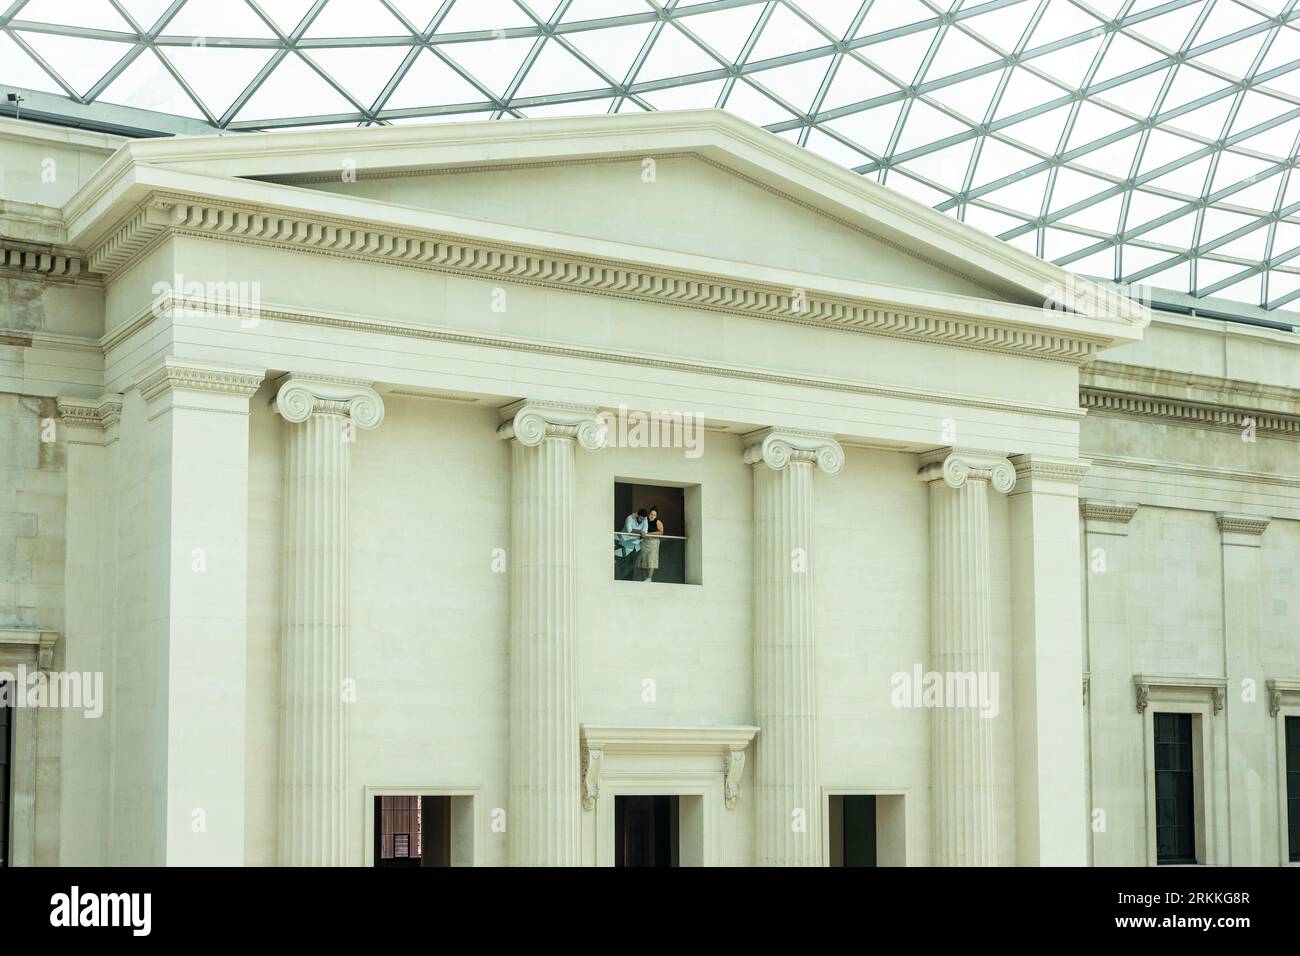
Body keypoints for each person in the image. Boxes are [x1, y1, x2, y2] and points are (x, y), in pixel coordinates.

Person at [616, 508, 648, 580]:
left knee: (632, 562)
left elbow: (645, 530)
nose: (641, 520)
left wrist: (643, 532)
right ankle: (623, 579)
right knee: (624, 562)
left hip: (635, 544)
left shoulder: (645, 520)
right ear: (637, 515)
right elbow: (629, 530)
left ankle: (630, 579)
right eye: (640, 518)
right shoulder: (630, 518)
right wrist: (640, 531)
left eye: (643, 519)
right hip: (625, 543)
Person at [639, 506, 664, 582]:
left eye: (654, 515)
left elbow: (661, 532)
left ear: (656, 516)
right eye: (651, 514)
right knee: (642, 560)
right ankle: (645, 578)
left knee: (651, 560)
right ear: (649, 514)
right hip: (644, 542)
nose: (652, 516)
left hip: (653, 543)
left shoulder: (658, 522)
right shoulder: (645, 520)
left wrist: (650, 533)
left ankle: (649, 578)